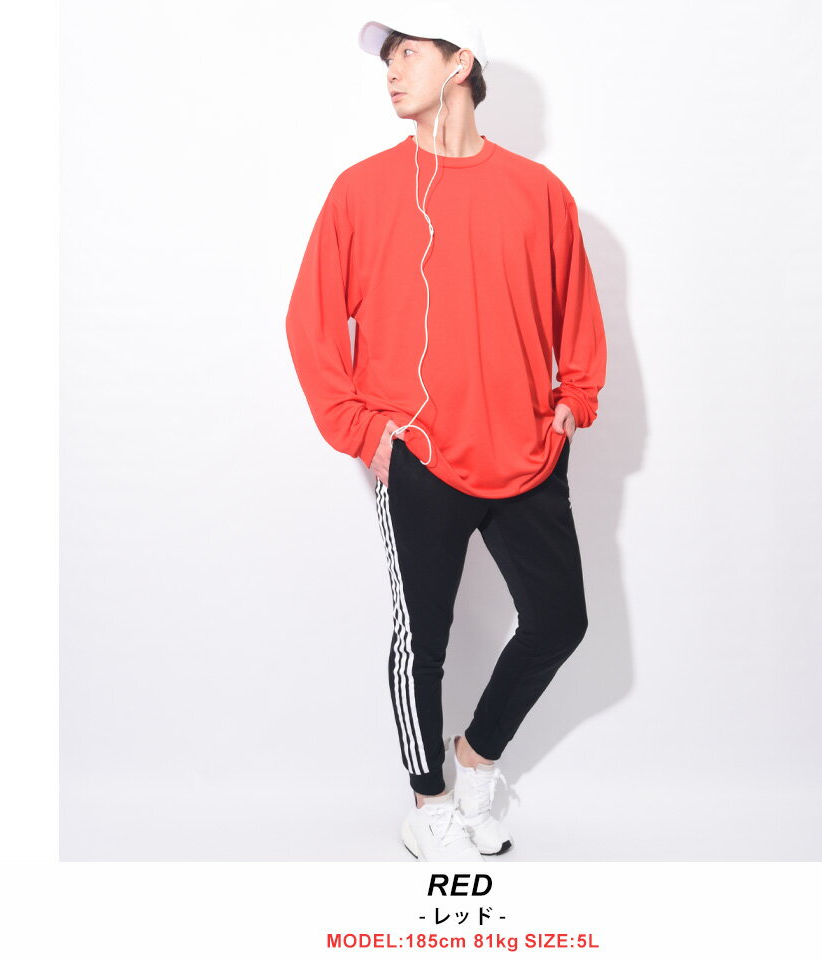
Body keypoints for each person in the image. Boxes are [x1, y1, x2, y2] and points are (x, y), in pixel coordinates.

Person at [285, 2, 607, 861]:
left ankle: (475, 762)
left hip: (527, 452)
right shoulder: (361, 191)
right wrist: (363, 431)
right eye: (385, 57)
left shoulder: (540, 194)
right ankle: (427, 801)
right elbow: (311, 323)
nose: (391, 70)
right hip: (419, 456)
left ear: (461, 63)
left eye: (409, 52)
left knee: (560, 620)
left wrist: (575, 396)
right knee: (421, 641)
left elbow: (576, 307)